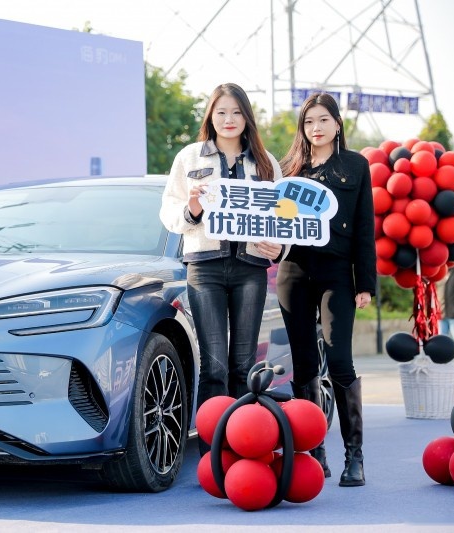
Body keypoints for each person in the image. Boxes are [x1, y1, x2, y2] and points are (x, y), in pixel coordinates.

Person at [159, 82, 284, 456]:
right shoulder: (189, 157)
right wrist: (192, 210)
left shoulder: (265, 162)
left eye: (236, 112)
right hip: (205, 269)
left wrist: (279, 247)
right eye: (221, 112)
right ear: (210, 117)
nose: (229, 119)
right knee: (213, 364)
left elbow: (283, 217)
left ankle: (243, 449)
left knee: (243, 364)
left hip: (250, 268)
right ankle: (212, 454)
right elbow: (169, 211)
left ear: (247, 118)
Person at [276, 92, 376, 487]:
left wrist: (365, 283)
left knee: (339, 360)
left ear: (337, 123)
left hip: (336, 273)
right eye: (308, 122)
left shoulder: (355, 165)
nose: (315, 128)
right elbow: (271, 221)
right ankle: (313, 451)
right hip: (294, 270)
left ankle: (355, 456)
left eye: (323, 120)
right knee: (303, 365)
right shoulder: (287, 169)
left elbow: (365, 228)